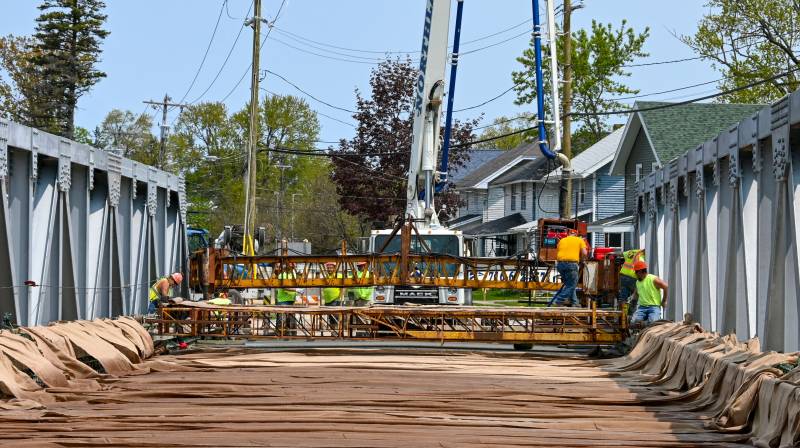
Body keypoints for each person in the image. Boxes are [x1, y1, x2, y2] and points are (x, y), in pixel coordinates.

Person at [550, 230, 587, 307]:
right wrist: (582, 260)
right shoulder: (579, 240)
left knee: (569, 284)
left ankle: (575, 303)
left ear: (568, 234)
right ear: (576, 234)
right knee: (572, 285)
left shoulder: (562, 240)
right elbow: (584, 253)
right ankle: (559, 300)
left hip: (560, 264)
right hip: (571, 264)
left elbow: (559, 251)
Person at [630, 260, 668, 324]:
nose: (635, 274)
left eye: (636, 272)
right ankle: (643, 326)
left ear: (640, 271)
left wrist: (664, 301)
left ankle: (648, 323)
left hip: (654, 307)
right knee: (633, 322)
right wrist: (632, 302)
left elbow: (665, 286)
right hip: (642, 307)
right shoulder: (638, 282)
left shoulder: (653, 279)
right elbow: (636, 293)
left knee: (653, 323)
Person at [275, 263, 298, 335]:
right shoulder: (282, 275)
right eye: (290, 267)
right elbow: (284, 287)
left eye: (293, 267)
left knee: (290, 320)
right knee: (282, 320)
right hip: (283, 301)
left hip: (291, 301)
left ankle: (289, 335)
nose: (292, 268)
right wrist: (296, 290)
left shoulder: (293, 274)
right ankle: (280, 335)